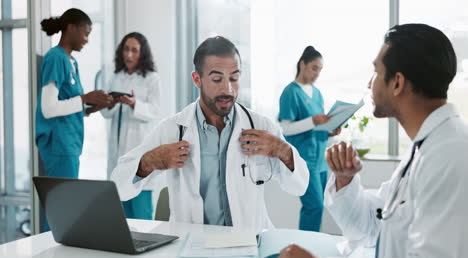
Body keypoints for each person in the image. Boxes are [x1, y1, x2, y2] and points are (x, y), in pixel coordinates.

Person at [278, 23, 468, 258]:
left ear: (397, 83)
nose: (370, 84)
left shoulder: (451, 154)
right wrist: (345, 180)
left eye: (376, 72)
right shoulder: (425, 147)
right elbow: (371, 224)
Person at [111, 36, 309, 232]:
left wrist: (282, 150)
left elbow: (299, 186)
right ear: (197, 79)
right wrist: (149, 162)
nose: (228, 89)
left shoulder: (260, 126)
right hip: (193, 247)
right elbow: (118, 186)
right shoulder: (173, 129)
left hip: (248, 244)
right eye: (216, 79)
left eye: (234, 78)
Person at [36, 8, 113, 181]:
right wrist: (85, 98)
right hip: (59, 145)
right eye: (86, 34)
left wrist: (91, 108)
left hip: (69, 144)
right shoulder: (55, 58)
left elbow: (69, 104)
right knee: (63, 204)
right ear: (71, 28)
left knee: (65, 202)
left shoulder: (72, 62)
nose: (87, 40)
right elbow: (48, 108)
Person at [278, 46, 341, 231]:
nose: (317, 73)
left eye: (320, 69)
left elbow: (316, 126)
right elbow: (285, 129)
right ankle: (303, 251)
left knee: (319, 207)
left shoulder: (317, 93)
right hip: (304, 160)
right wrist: (313, 120)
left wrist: (330, 131)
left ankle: (309, 247)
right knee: (314, 206)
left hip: (320, 159)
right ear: (302, 64)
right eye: (314, 68)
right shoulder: (291, 92)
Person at [101, 32, 162, 220]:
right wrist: (110, 103)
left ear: (142, 53)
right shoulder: (115, 77)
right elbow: (105, 113)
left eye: (134, 50)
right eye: (126, 49)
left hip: (139, 152)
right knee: (121, 217)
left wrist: (135, 104)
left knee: (141, 216)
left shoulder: (152, 79)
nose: (129, 55)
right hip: (117, 151)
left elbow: (155, 111)